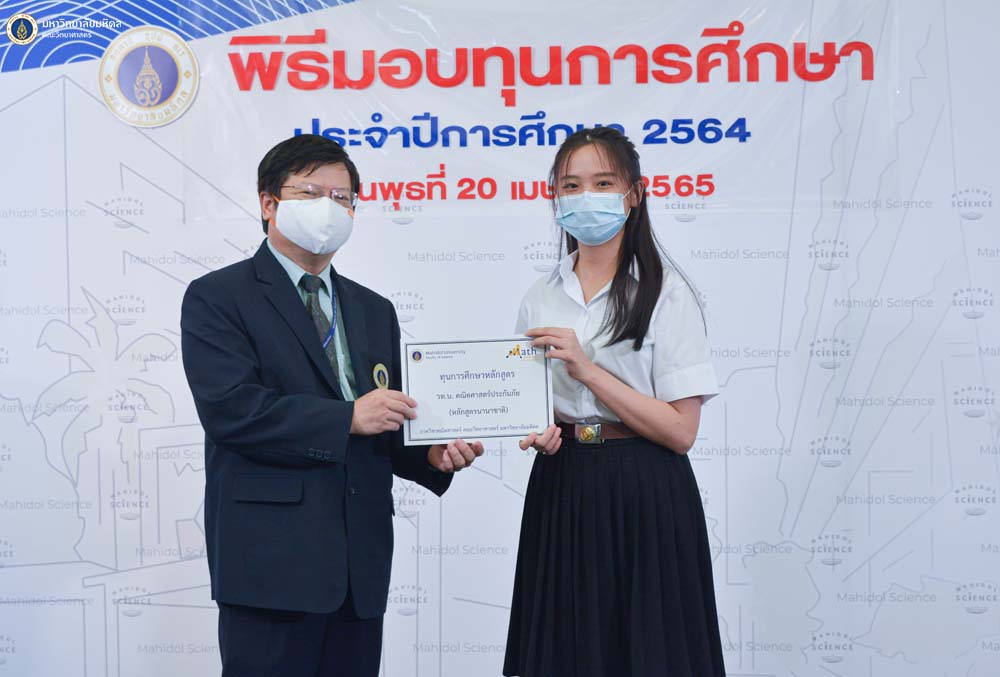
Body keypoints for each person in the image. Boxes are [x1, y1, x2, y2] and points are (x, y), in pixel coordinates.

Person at [180, 134, 483, 677]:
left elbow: (383, 419)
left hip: (358, 567)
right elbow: (232, 410)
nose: (329, 207)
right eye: (310, 193)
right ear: (269, 203)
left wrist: (430, 455)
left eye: (341, 198)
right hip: (270, 567)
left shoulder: (373, 309)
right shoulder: (218, 297)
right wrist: (347, 417)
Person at [503, 127, 726, 677]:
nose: (586, 197)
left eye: (603, 183)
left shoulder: (667, 292)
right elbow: (529, 400)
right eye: (571, 185)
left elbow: (681, 431)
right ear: (555, 197)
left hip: (644, 489)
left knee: (649, 652)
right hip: (563, 483)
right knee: (565, 651)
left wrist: (588, 370)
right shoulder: (540, 295)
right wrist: (538, 429)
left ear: (634, 194)